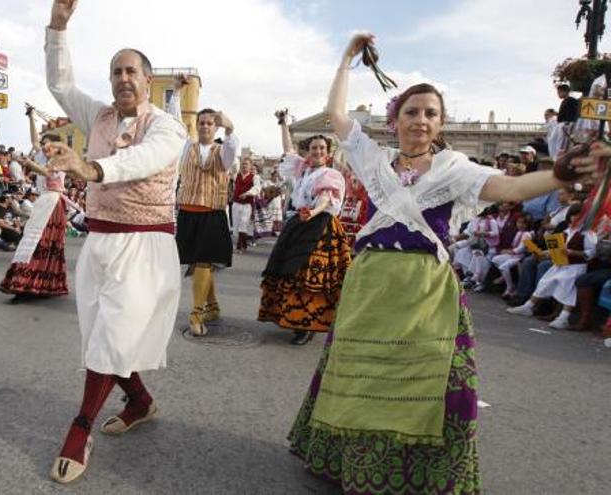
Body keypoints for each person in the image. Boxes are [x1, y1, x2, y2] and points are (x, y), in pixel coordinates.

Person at [286, 33, 595, 495]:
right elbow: (337, 116)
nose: (421, 120)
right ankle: (354, 465)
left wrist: (559, 174)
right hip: (370, 284)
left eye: (431, 113)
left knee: (423, 382)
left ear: (441, 122)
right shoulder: (375, 161)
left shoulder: (455, 169)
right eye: (412, 112)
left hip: (426, 290)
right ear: (395, 121)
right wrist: (347, 60)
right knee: (360, 377)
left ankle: (420, 474)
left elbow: (509, 189)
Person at [42, 0, 188, 484]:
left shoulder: (167, 127)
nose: (123, 79)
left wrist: (90, 167)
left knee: (111, 338)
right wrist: (58, 28)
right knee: (102, 337)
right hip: (101, 243)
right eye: (115, 72)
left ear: (147, 81)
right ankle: (140, 401)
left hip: (145, 248)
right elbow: (60, 86)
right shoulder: (100, 117)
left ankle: (79, 427)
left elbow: (144, 160)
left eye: (131, 71)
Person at [259, 111, 350, 345]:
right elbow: (288, 150)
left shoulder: (331, 174)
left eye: (322, 148)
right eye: (314, 148)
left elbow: (326, 198)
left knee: (310, 276)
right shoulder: (303, 169)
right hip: (299, 222)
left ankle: (308, 324)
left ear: (328, 154)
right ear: (308, 153)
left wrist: (314, 211)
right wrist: (284, 125)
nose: (318, 151)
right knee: (289, 270)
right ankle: (292, 317)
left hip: (320, 227)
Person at [167, 75, 239, 336]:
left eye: (210, 123)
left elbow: (232, 147)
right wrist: (176, 91)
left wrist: (230, 128)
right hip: (188, 211)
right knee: (198, 263)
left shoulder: (225, 151)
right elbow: (174, 120)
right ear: (197, 125)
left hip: (211, 213)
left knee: (203, 263)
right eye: (202, 122)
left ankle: (196, 313)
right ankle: (213, 305)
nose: (206, 126)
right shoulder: (187, 147)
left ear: (215, 128)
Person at [0, 155, 69, 300]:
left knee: (44, 243)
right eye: (44, 145)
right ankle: (25, 283)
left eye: (49, 146)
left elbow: (48, 172)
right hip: (43, 203)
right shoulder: (45, 159)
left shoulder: (59, 163)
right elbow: (36, 142)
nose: (45, 149)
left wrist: (29, 163)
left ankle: (40, 284)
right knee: (31, 242)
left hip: (53, 204)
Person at [230, 157, 262, 252]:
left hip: (247, 205)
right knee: (236, 226)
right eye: (243, 164)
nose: (244, 166)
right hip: (236, 204)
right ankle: (243, 245)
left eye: (246, 164)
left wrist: (247, 193)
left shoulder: (254, 177)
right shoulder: (236, 175)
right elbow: (232, 167)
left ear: (250, 166)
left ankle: (239, 247)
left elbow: (257, 188)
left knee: (243, 224)